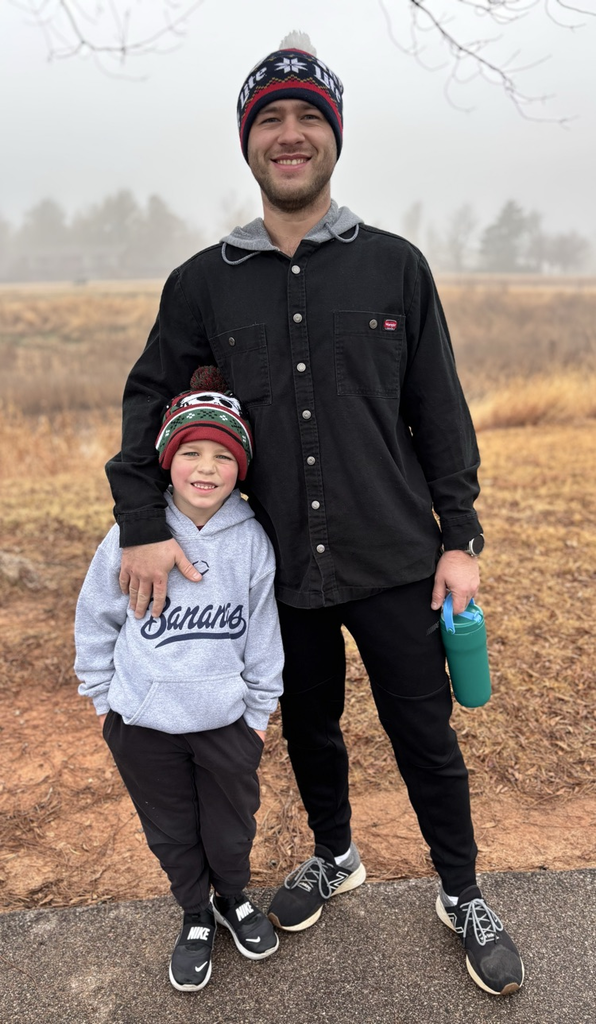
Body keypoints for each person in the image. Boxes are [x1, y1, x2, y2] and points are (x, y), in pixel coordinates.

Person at [105, 33, 524, 997]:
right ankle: (337, 853)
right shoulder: (203, 284)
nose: (288, 136)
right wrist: (143, 520)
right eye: (269, 121)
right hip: (280, 568)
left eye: (307, 119)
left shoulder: (397, 268)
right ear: (248, 144)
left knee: (426, 735)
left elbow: (440, 414)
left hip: (396, 556)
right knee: (311, 727)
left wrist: (459, 539)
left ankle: (460, 890)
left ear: (333, 137)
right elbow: (148, 406)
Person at [75, 367, 284, 992]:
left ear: (240, 468)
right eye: (190, 452)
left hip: (225, 724)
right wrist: (106, 704)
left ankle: (232, 898)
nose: (205, 468)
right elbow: (97, 621)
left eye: (222, 456)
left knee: (231, 827)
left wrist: (256, 717)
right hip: (143, 723)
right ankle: (195, 913)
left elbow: (262, 634)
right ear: (166, 461)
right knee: (170, 830)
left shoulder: (251, 541)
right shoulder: (131, 538)